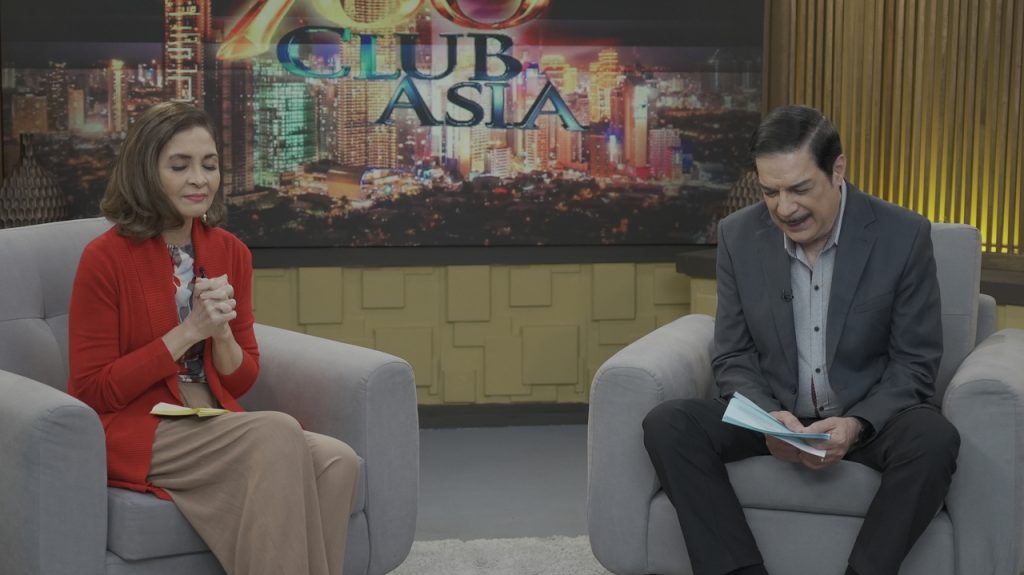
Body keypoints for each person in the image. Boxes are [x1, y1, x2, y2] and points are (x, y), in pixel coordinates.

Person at [642, 105, 960, 575]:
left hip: (866, 416)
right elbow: (733, 353)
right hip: (776, 413)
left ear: (838, 170)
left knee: (934, 440)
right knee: (669, 424)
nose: (784, 209)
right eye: (770, 192)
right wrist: (768, 420)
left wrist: (854, 425)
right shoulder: (738, 235)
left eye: (799, 189)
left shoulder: (904, 235)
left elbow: (914, 363)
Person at [68, 101, 359, 575]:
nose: (199, 180)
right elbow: (92, 389)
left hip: (210, 416)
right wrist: (189, 332)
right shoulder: (105, 258)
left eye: (209, 165)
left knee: (337, 460)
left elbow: (241, 379)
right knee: (276, 431)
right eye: (179, 166)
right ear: (146, 172)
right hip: (136, 424)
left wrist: (221, 333)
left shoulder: (231, 252)